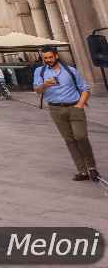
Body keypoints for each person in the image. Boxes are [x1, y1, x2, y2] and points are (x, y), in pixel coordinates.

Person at [34, 47, 98, 182]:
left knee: (80, 136)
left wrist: (80, 104)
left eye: (50, 57)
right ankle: (82, 171)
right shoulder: (40, 71)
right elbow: (37, 90)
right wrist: (45, 85)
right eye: (45, 58)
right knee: (69, 140)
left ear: (56, 56)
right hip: (55, 109)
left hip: (74, 106)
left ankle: (91, 167)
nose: (48, 60)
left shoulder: (70, 70)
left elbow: (85, 88)